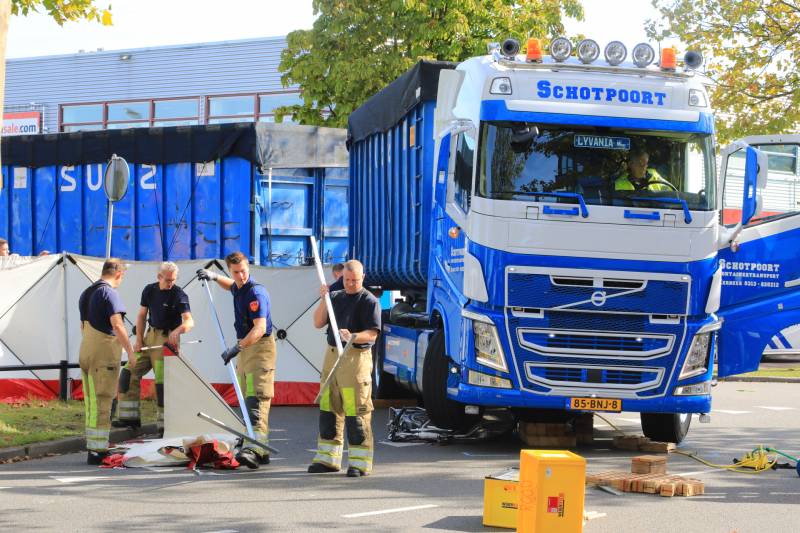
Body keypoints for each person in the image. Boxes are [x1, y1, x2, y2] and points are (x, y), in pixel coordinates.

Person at [197, 252, 276, 469]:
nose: (240, 276)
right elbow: (230, 285)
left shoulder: (255, 293)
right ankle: (261, 447)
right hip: (247, 348)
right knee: (247, 394)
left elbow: (259, 328)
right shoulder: (239, 288)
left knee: (256, 398)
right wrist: (213, 276)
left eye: (243, 271)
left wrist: (236, 348)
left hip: (258, 348)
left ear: (248, 267)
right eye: (235, 272)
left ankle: (254, 448)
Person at [307, 259, 381, 477]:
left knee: (356, 410)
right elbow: (318, 322)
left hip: (355, 358)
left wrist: (354, 337)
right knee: (329, 407)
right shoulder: (335, 298)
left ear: (363, 278)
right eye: (347, 280)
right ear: (341, 278)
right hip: (332, 355)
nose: (350, 284)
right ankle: (328, 459)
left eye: (355, 280)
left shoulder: (369, 301)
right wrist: (323, 299)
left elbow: (373, 334)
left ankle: (359, 463)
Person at [113, 262, 194, 431]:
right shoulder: (149, 290)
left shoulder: (179, 295)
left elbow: (189, 321)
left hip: (166, 341)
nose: (171, 283)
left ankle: (165, 425)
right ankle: (129, 419)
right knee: (128, 372)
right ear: (159, 277)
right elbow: (142, 316)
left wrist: (178, 331)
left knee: (161, 383)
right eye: (168, 279)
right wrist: (139, 340)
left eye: (173, 280)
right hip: (149, 337)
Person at [78, 258, 136, 465]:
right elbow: (118, 325)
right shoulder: (109, 293)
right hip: (103, 356)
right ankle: (98, 451)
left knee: (92, 403)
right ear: (119, 274)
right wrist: (130, 351)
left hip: (86, 351)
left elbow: (82, 326)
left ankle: (93, 447)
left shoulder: (86, 293)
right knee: (103, 402)